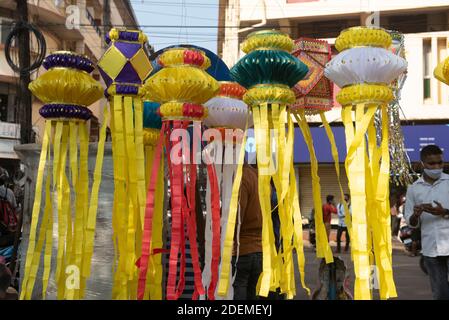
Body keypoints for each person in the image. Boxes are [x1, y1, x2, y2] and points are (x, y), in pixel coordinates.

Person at [404, 145, 449, 300]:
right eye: (432, 164)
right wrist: (416, 215)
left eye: (440, 163)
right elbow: (410, 221)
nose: (437, 167)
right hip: (431, 249)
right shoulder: (414, 189)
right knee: (441, 294)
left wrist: (445, 212)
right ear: (423, 164)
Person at [232, 164, 263, 300]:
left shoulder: (241, 178)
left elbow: (237, 219)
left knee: (239, 291)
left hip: (242, 250)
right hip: (258, 249)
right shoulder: (256, 176)